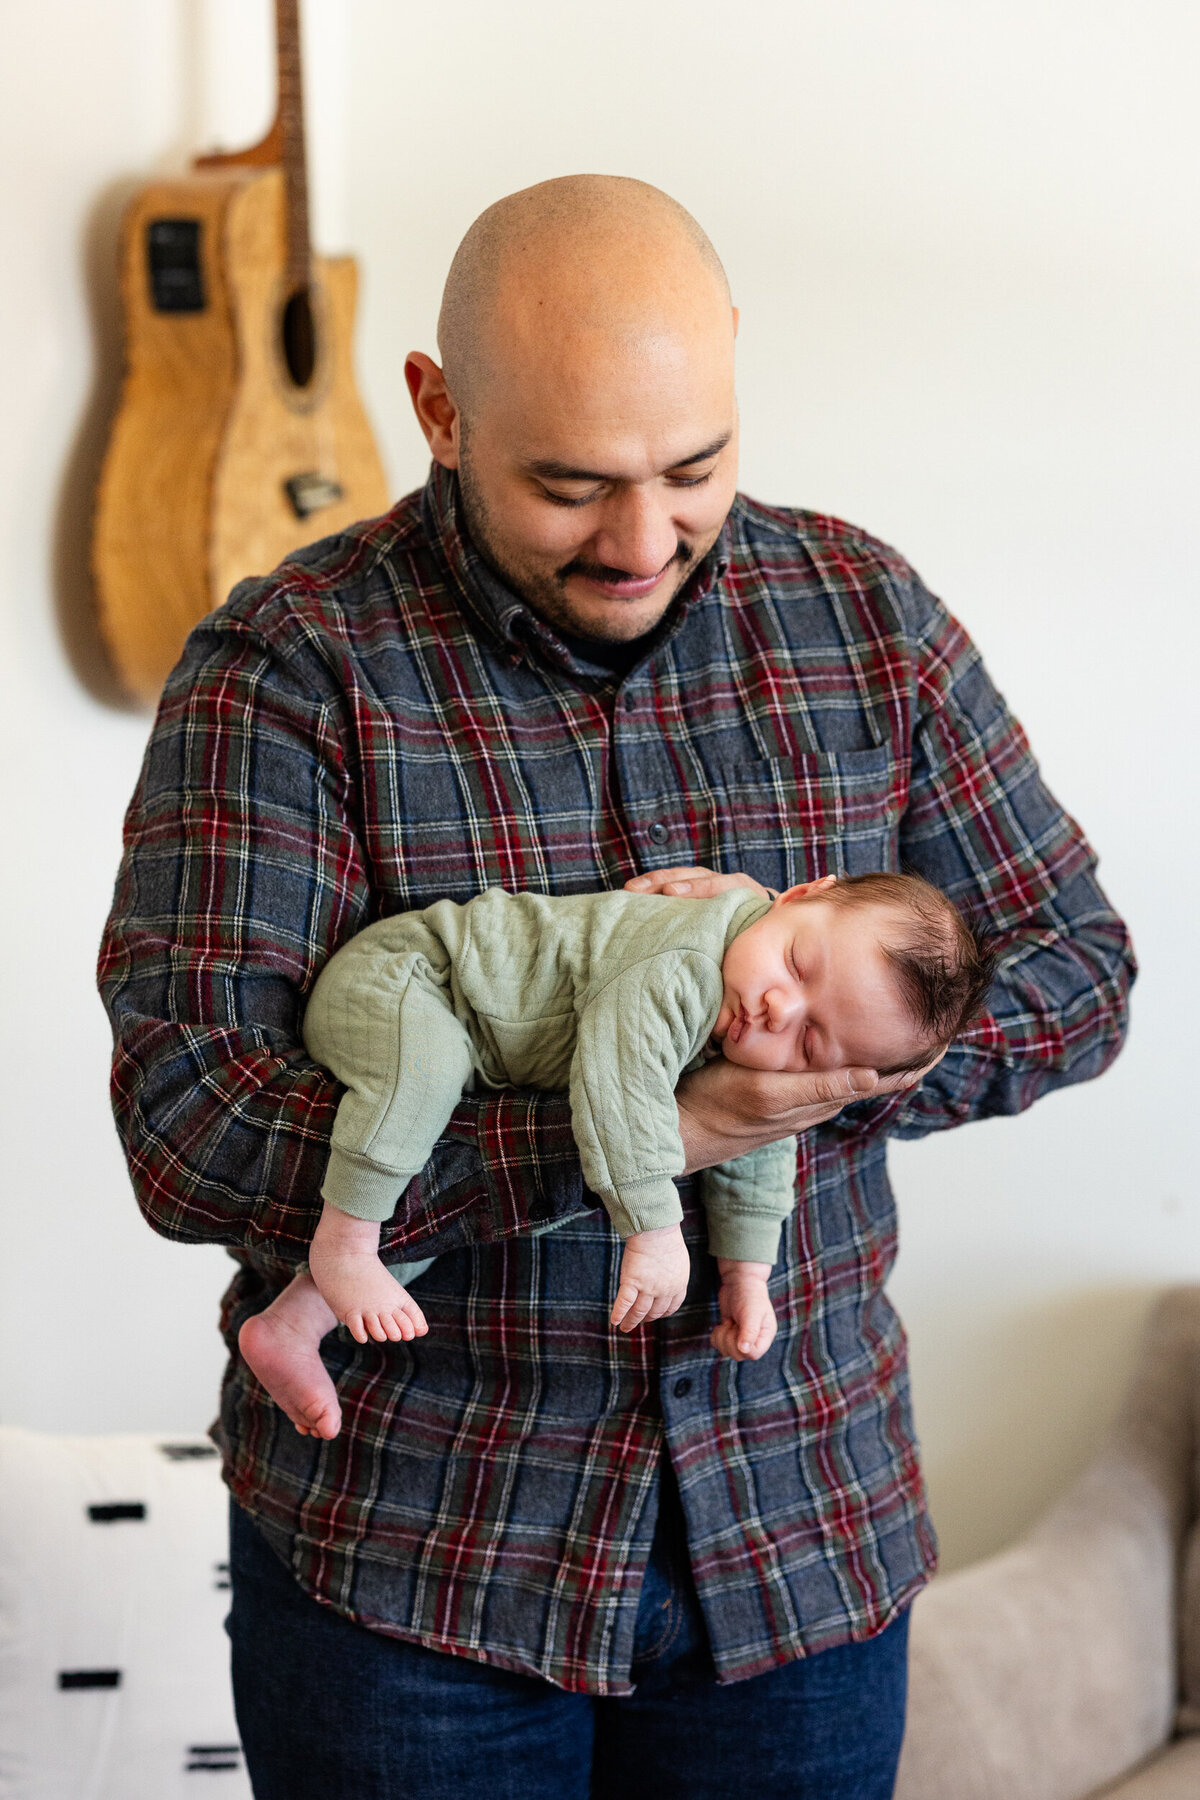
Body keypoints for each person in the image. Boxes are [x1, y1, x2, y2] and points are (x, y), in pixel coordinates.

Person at [98, 174, 1134, 1799]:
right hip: (419, 1571)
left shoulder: (864, 618)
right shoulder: (294, 669)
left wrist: (832, 1048)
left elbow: (1077, 975)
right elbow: (192, 1127)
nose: (641, 540)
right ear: (437, 408)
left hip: (799, 1546)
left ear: (732, 369)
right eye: (570, 486)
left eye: (694, 470)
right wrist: (661, 1124)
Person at [240, 871, 994, 1441]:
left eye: (812, 1041)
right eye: (798, 964)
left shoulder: (749, 1005)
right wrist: (654, 1229)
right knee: (421, 1083)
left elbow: (761, 1137)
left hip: (468, 1041)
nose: (778, 1009)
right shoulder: (689, 962)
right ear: (793, 895)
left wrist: (748, 1272)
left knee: (441, 1191)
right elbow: (619, 1086)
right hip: (409, 980)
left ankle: (291, 1325)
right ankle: (344, 1240)